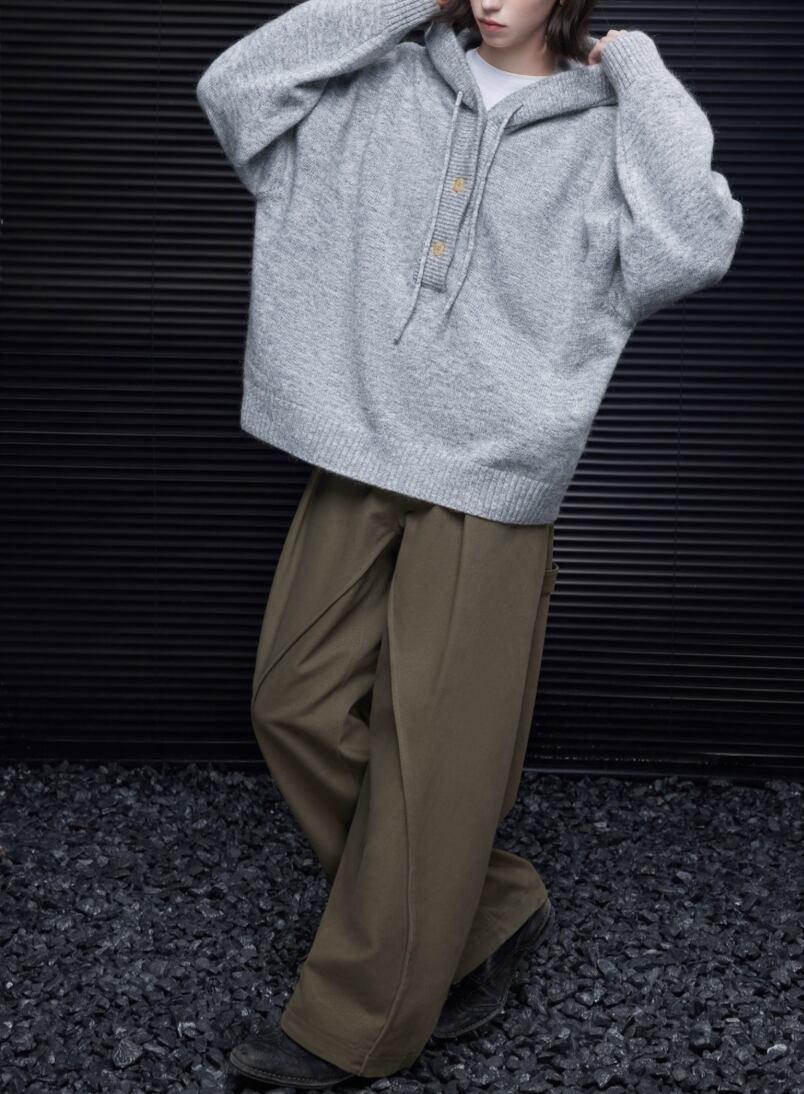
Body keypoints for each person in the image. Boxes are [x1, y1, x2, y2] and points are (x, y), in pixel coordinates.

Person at [195, 0, 743, 1087]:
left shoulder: (607, 129)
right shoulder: (381, 86)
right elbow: (237, 90)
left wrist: (637, 70)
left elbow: (692, 244)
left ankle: (357, 1025)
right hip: (354, 444)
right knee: (293, 701)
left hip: (491, 475)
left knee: (432, 761)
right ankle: (490, 904)